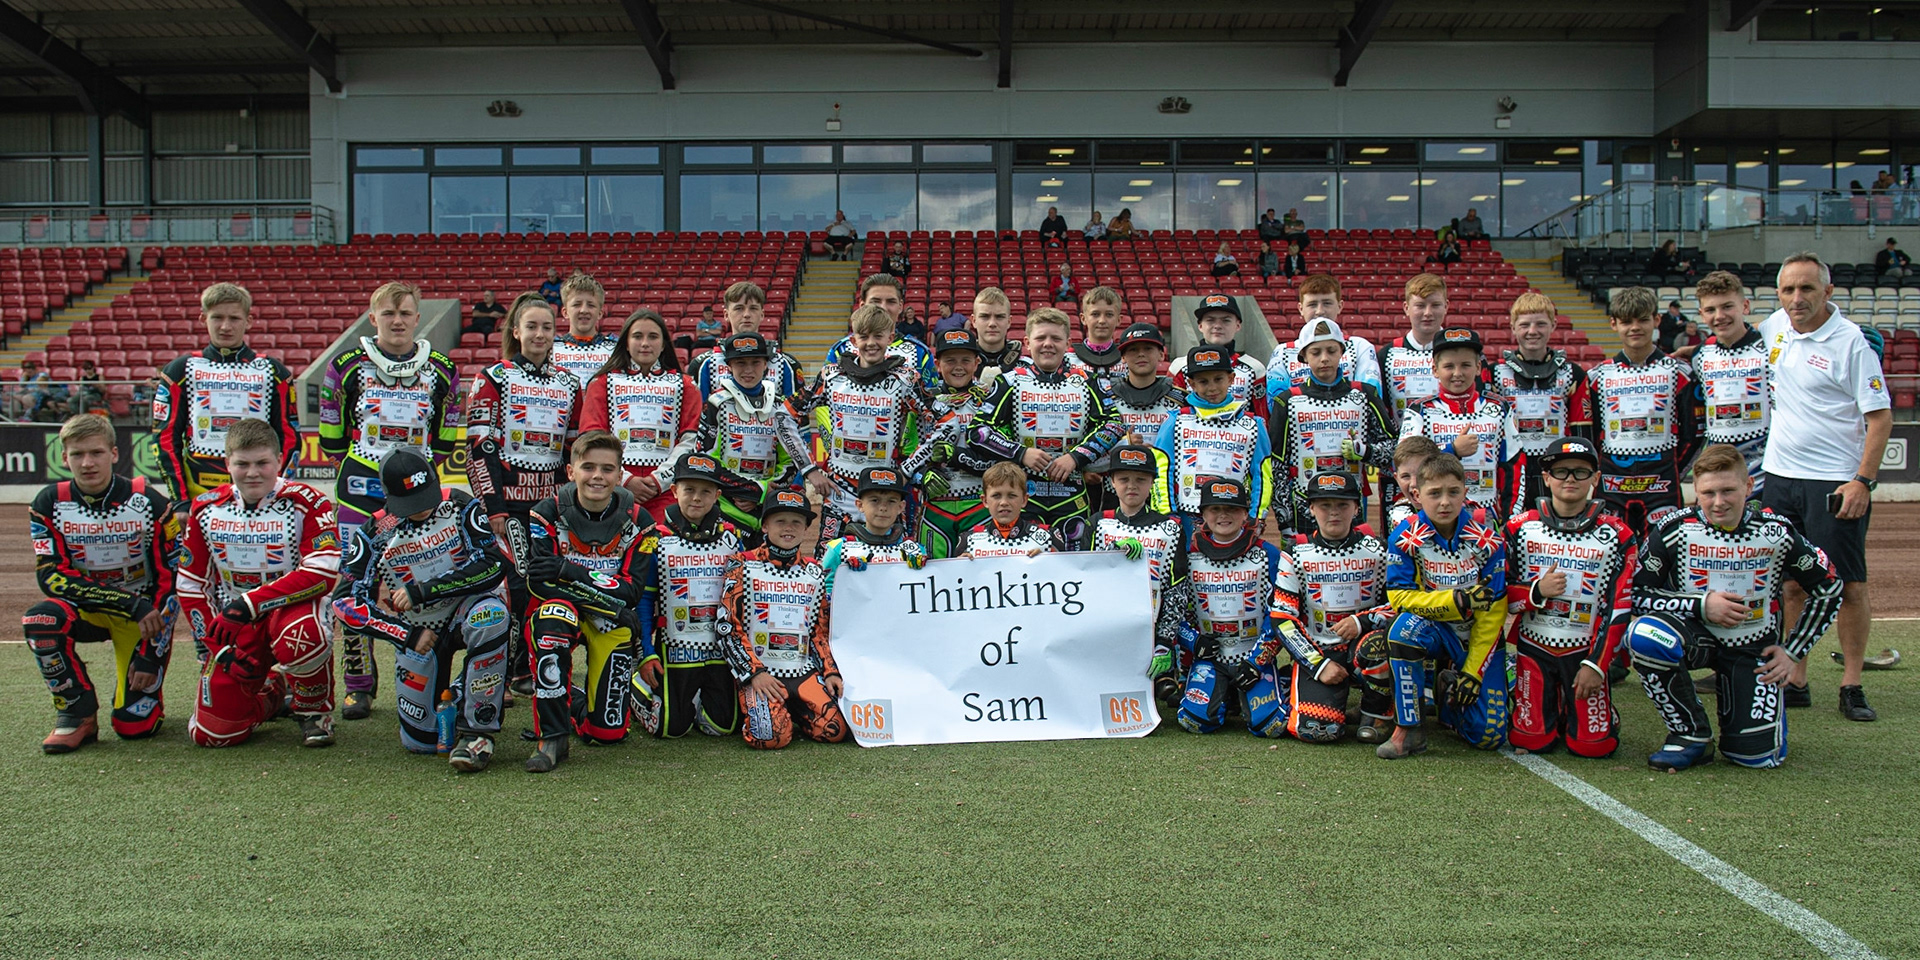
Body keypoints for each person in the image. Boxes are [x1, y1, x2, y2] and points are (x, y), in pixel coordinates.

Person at [1625, 444, 1843, 770]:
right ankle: (1690, 735)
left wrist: (1793, 653)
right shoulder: (1674, 529)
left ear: (1748, 487)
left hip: (1754, 650)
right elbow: (1637, 593)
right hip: (1696, 636)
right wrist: (1701, 605)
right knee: (1644, 635)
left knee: (1755, 757)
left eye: (1728, 491)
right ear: (1695, 491)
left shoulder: (1776, 532)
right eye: (1708, 493)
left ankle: (1758, 722)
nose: (1718, 502)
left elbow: (1829, 589)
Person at [318, 281, 461, 720]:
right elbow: (332, 437)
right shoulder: (344, 365)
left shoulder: (441, 367)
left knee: (422, 577)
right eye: (388, 313)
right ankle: (358, 682)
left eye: (405, 313)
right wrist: (371, 469)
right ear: (372, 316)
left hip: (418, 487)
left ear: (418, 318)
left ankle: (427, 670)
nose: (397, 321)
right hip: (359, 483)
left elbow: (445, 436)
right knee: (353, 583)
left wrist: (412, 474)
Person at [1761, 252, 1892, 721]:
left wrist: (1862, 481)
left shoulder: (1852, 343)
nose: (1797, 299)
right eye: (1788, 290)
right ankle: (1796, 677)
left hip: (1834, 482)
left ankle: (1852, 684)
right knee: (1791, 584)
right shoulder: (1774, 326)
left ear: (1827, 292)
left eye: (1807, 289)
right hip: (1779, 477)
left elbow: (1880, 418)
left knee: (1847, 584)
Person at [331, 449, 510, 768]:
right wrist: (404, 634)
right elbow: (345, 603)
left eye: (426, 496)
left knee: (492, 615)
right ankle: (457, 693)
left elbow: (494, 565)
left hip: (464, 611)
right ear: (388, 497)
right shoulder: (373, 533)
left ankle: (478, 732)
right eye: (410, 504)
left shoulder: (459, 503)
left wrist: (423, 590)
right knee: (422, 741)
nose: (423, 508)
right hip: (418, 630)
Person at [178, 419, 340, 749]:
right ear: (227, 463)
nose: (253, 473)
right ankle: (273, 692)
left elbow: (323, 573)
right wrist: (217, 646)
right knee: (213, 735)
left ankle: (313, 710)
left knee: (305, 635)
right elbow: (191, 586)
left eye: (262, 463)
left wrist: (248, 604)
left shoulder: (307, 501)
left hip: (289, 613)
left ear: (280, 460)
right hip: (234, 626)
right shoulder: (205, 508)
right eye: (242, 464)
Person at [25, 414, 177, 754]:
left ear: (113, 453)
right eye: (77, 454)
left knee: (134, 727)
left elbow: (171, 581)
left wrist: (151, 653)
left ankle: (137, 697)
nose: (87, 463)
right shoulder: (48, 504)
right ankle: (76, 713)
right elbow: (51, 576)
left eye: (95, 453)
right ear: (63, 457)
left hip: (144, 621)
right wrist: (127, 602)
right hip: (91, 611)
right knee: (41, 619)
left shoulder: (149, 502)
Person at [465, 292, 581, 696]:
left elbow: (573, 450)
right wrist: (491, 504)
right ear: (515, 331)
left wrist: (570, 502)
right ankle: (510, 669)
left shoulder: (568, 383)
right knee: (514, 586)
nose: (540, 334)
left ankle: (532, 663)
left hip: (549, 505)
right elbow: (479, 447)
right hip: (507, 504)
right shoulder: (492, 377)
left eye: (547, 327)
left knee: (546, 582)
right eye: (531, 326)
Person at [522, 431, 658, 771]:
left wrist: (571, 570)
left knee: (607, 733)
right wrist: (607, 600)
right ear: (571, 472)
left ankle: (573, 703)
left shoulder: (642, 523)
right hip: (567, 608)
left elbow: (632, 591)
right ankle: (551, 737)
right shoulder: (545, 513)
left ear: (619, 473)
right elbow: (541, 585)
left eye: (608, 469)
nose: (598, 476)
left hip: (608, 618)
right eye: (588, 467)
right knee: (552, 622)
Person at [1504, 437, 1636, 758]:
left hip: (1585, 651)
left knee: (1593, 747)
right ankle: (1521, 687)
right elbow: (1498, 595)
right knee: (1530, 741)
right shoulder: (1519, 528)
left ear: (1596, 478)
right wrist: (1536, 591)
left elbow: (1620, 608)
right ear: (1546, 477)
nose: (1570, 480)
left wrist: (1597, 665)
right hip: (1534, 646)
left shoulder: (1618, 535)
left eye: (1580, 472)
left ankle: (1590, 710)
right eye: (1561, 472)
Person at [1375, 453, 1509, 759]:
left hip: (1474, 634)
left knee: (1489, 736)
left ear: (1465, 491)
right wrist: (1456, 600)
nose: (1445, 502)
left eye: (1453, 492)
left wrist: (1474, 673)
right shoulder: (1406, 535)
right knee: (1401, 632)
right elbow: (1399, 597)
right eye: (1435, 494)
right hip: (1432, 626)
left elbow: (1494, 612)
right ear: (1418, 496)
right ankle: (1408, 730)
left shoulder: (1488, 539)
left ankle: (1449, 695)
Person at [796, 305, 949, 551]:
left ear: (890, 338)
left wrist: (908, 468)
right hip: (839, 491)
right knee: (828, 565)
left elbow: (947, 421)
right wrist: (809, 469)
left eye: (878, 336)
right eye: (864, 336)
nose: (871, 343)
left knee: (892, 563)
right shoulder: (832, 376)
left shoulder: (905, 380)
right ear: (853, 339)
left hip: (885, 491)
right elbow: (784, 415)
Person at [970, 307, 1125, 546]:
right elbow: (978, 433)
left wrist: (1075, 457)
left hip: (1071, 495)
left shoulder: (1087, 381)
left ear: (1068, 343)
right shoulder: (1009, 382)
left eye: (1055, 338)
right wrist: (1020, 453)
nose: (1048, 344)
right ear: (1027, 343)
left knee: (1073, 568)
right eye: (1040, 338)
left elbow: (1114, 424)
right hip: (1022, 497)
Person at [1271, 471, 1394, 745]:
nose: (1334, 513)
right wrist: (1318, 664)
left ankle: (1376, 713)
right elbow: (1282, 618)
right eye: (1325, 505)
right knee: (1316, 731)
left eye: (1342, 505)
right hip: (1320, 650)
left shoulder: (1380, 551)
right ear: (1312, 508)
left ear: (1356, 507)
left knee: (1377, 646)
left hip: (1363, 646)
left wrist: (1363, 621)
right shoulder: (1294, 554)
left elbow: (1399, 604)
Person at [1162, 477, 1288, 737]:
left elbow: (1280, 614)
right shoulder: (1188, 555)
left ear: (1245, 514)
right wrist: (1193, 642)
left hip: (1252, 656)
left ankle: (1280, 682)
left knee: (1270, 727)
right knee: (1194, 722)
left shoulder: (1268, 555)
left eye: (1231, 509)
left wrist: (1257, 661)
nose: (1223, 515)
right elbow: (1174, 611)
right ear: (1203, 515)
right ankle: (1222, 692)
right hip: (1212, 657)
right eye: (1215, 509)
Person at [723, 489, 847, 750]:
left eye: (796, 522)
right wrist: (754, 673)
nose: (788, 528)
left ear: (805, 529)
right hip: (762, 672)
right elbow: (727, 627)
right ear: (765, 525)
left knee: (833, 731)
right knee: (769, 738)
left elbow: (819, 632)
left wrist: (830, 671)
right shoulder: (741, 564)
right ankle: (764, 710)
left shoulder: (814, 570)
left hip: (802, 671)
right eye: (780, 521)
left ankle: (790, 709)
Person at [153, 282, 298, 503]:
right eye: (217, 317)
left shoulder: (274, 372)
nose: (225, 326)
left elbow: (290, 438)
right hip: (199, 491)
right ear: (203, 319)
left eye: (234, 318)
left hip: (261, 492)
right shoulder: (179, 371)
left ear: (248, 321)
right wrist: (179, 499)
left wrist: (276, 488)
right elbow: (164, 438)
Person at [634, 452, 745, 739]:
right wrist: (646, 653)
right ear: (674, 491)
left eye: (705, 491)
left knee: (722, 727)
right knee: (670, 729)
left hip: (720, 649)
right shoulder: (656, 537)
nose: (697, 498)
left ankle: (697, 701)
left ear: (717, 495)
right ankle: (634, 687)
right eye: (689, 490)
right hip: (676, 646)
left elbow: (742, 599)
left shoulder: (732, 538)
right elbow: (644, 600)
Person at [660, 332, 807, 538]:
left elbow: (791, 457)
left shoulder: (780, 405)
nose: (748, 370)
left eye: (755, 362)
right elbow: (707, 460)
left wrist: (762, 492)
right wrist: (749, 491)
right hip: (728, 506)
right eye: (740, 363)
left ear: (766, 364)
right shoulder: (716, 404)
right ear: (729, 366)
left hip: (769, 504)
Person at [1587, 286, 1700, 533]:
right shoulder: (1597, 376)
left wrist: (1672, 467)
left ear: (1657, 320)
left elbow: (1693, 433)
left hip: (1662, 480)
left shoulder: (1679, 372)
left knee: (1665, 552)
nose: (1635, 327)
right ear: (1613, 324)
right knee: (1611, 549)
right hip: (1613, 481)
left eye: (1642, 320)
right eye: (1627, 321)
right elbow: (1593, 432)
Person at [1267, 318, 1394, 536]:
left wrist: (1364, 451)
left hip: (1350, 506)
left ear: (1342, 352)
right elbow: (1277, 466)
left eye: (1331, 350)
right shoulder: (1287, 401)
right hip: (1304, 510)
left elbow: (1393, 449)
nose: (1324, 358)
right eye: (1316, 352)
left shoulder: (1365, 394)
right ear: (1304, 357)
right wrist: (1285, 523)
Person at [1081, 443, 1185, 701]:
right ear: (1112, 482)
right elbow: (1084, 581)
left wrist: (1164, 642)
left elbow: (1176, 591)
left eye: (1140, 479)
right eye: (1124, 479)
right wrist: (1112, 554)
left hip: (1150, 630)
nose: (1132, 486)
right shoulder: (1097, 523)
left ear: (1152, 483)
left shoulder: (1170, 528)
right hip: (1105, 630)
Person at [580, 309, 701, 521]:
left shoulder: (686, 385)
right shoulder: (601, 383)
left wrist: (658, 480)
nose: (645, 343)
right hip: (612, 489)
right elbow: (591, 439)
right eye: (637, 336)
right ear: (626, 342)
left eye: (653, 337)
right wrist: (624, 479)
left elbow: (691, 441)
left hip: (667, 491)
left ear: (664, 344)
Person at [1399, 328, 1518, 521]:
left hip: (1486, 516)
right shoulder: (1419, 410)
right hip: (1434, 515)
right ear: (1435, 369)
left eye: (1465, 365)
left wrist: (1511, 517)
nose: (1457, 373)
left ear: (1478, 367)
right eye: (1449, 366)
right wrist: (1452, 450)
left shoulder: (1499, 407)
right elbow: (1407, 466)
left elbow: (1514, 467)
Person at [1154, 344, 1273, 528]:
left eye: (1218, 379)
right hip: (1185, 517)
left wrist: (1257, 515)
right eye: (1203, 382)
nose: (1212, 388)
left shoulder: (1252, 425)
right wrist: (1167, 512)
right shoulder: (1175, 421)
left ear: (1231, 379)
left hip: (1232, 515)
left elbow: (1262, 473)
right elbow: (1162, 469)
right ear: (1191, 384)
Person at [1492, 292, 1591, 513]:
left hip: (1558, 467)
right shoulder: (1495, 372)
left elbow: (1582, 430)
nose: (1532, 331)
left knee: (1558, 525)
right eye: (1525, 324)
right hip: (1511, 467)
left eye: (1540, 324)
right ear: (1512, 326)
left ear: (1554, 325)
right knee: (1512, 527)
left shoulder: (1572, 373)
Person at [920, 329, 999, 559]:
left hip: (979, 504)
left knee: (983, 577)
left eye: (965, 360)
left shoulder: (991, 399)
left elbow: (1002, 455)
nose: (958, 366)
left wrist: (958, 456)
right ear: (937, 363)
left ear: (976, 363)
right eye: (950, 360)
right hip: (936, 506)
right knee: (932, 575)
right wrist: (921, 476)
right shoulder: (924, 401)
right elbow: (908, 451)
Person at [1690, 272, 1770, 494]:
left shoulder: (1770, 349)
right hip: (1718, 471)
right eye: (1710, 310)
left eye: (1727, 307)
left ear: (1745, 306)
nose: (1720, 316)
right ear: (1701, 314)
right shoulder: (1700, 356)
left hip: (1766, 470)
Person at [1266, 275, 1382, 396]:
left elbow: (1371, 394)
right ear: (1301, 308)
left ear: (1340, 306)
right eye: (1312, 304)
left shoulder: (1360, 347)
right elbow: (1277, 404)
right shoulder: (1282, 352)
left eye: (1327, 303)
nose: (1320, 311)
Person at [692, 281, 802, 401]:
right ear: (726, 314)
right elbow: (696, 416)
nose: (746, 315)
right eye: (739, 308)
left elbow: (797, 415)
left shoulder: (787, 364)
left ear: (762, 314)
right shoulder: (703, 365)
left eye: (753, 308)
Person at [822, 274, 935, 387]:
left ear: (900, 306)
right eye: (875, 301)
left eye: (891, 301)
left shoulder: (920, 353)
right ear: (862, 305)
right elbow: (823, 397)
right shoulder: (840, 350)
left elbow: (931, 400)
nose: (883, 308)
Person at [1168, 294, 1267, 418]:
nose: (1218, 326)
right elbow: (1172, 414)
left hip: (1239, 435)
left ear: (1237, 325)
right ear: (1200, 325)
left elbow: (1262, 418)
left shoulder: (1254, 369)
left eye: (1226, 320)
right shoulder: (1180, 366)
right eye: (1210, 320)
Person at [1379, 273, 1452, 428]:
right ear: (1406, 308)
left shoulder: (1461, 352)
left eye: (1435, 305)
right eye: (1420, 305)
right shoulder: (1387, 355)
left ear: (1446, 306)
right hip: (1402, 447)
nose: (1427, 313)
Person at [961, 461, 1068, 557]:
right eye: (996, 496)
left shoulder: (1047, 536)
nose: (1004, 503)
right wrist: (961, 566)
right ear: (985, 501)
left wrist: (1050, 559)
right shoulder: (969, 540)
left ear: (1024, 500)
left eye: (1012, 495)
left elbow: (1066, 573)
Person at [1107, 323, 1181, 444]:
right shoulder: (1107, 397)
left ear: (1161, 354)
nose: (1141, 354)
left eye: (1148, 348)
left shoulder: (1179, 400)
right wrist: (1123, 443)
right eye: (1133, 349)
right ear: (1123, 358)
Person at [550, 272, 616, 387]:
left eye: (591, 305)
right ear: (565, 312)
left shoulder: (614, 350)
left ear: (600, 313)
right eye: (577, 304)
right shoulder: (551, 349)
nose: (584, 310)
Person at [1063, 286, 1125, 395]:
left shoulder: (1127, 359)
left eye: (1109, 315)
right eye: (1095, 314)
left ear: (1119, 320)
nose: (1102, 321)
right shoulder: (1068, 359)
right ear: (1083, 319)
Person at [969, 287, 1026, 380]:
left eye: (999, 317)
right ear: (974, 321)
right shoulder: (959, 369)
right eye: (985, 316)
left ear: (1009, 321)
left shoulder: (1027, 369)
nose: (992, 324)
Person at [1388, 436, 1441, 533]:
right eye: (1405, 476)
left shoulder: (1461, 509)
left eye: (1421, 475)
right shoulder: (1399, 511)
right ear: (1396, 478)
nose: (1414, 483)